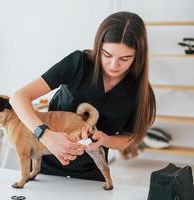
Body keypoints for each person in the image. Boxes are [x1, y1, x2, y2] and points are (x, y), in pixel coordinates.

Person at [9, 11, 156, 181]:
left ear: (138, 56)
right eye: (107, 55)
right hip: (46, 167)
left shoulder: (139, 91)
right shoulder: (78, 63)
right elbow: (18, 98)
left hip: (91, 174)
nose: (114, 65)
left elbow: (127, 138)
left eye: (125, 58)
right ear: (98, 45)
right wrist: (46, 136)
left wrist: (105, 139)